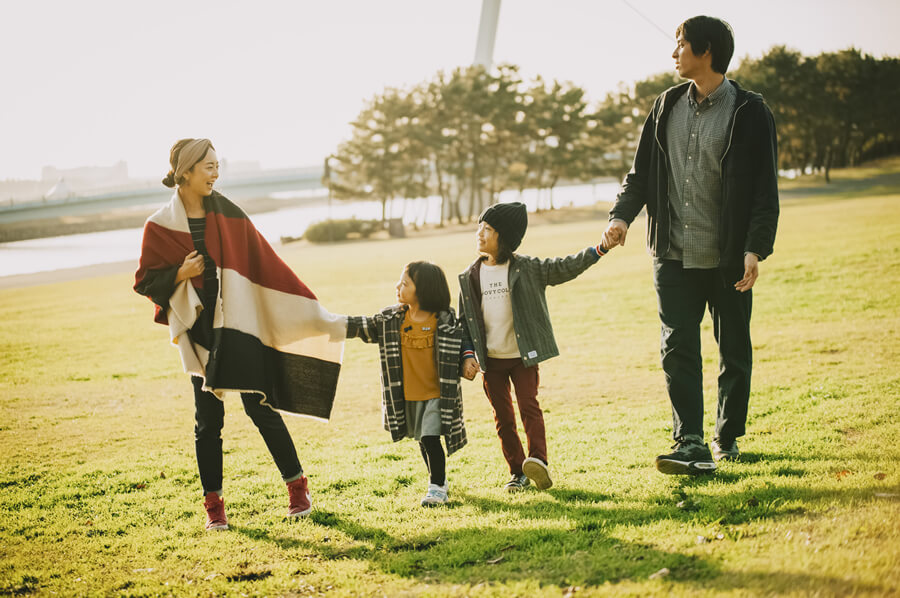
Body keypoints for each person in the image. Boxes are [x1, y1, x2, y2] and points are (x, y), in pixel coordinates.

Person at [134, 138, 346, 530]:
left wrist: (308, 309)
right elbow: (146, 280)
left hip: (239, 324)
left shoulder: (229, 214)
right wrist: (181, 274)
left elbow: (264, 262)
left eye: (218, 165)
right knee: (208, 419)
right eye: (208, 167)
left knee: (259, 405)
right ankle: (214, 507)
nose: (216, 173)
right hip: (199, 330)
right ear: (186, 172)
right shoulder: (160, 226)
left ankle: (297, 487)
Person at [602, 16, 779, 475]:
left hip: (728, 259)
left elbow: (764, 190)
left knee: (733, 349)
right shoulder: (665, 106)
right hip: (673, 255)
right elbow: (640, 175)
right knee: (677, 346)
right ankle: (690, 441)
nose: (674, 52)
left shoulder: (749, 111)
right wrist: (621, 218)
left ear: (706, 52)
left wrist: (754, 249)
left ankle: (727, 436)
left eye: (680, 44)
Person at [458, 202, 610, 492]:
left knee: (529, 406)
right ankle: (517, 472)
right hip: (491, 361)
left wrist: (599, 249)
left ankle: (538, 462)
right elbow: (462, 322)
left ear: (504, 237)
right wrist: (467, 355)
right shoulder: (470, 276)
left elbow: (566, 267)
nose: (479, 233)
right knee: (503, 418)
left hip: (522, 358)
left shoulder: (527, 268)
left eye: (487, 229)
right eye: (479, 227)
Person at [345, 261, 474, 506]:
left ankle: (436, 487)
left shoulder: (444, 320)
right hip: (409, 394)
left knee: (430, 438)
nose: (398, 286)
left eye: (405, 283)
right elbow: (362, 326)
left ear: (423, 290)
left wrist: (467, 359)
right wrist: (331, 323)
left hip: (437, 394)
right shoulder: (392, 319)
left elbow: (461, 342)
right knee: (422, 440)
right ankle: (439, 481)